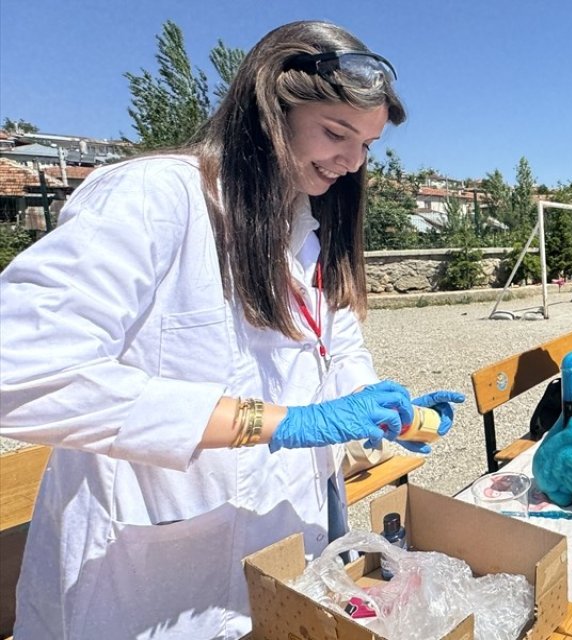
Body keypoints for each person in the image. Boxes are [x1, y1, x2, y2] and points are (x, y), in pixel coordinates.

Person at [0, 22, 466, 640]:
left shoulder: (308, 228)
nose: (352, 162)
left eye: (367, 145)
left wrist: (379, 407)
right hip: (153, 582)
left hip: (283, 552)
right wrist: (281, 423)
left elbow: (337, 348)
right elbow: (21, 367)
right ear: (269, 110)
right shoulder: (155, 199)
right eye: (335, 133)